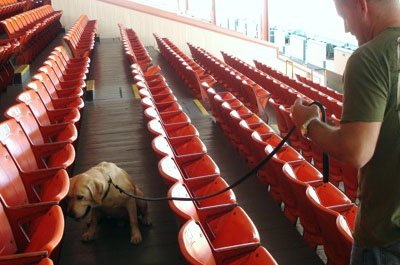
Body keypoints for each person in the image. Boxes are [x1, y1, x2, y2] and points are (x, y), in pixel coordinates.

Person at [290, 0, 400, 264]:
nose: (346, 29)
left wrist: (309, 123)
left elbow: (356, 149)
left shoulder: (371, 57)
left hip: (384, 237)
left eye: (344, 17)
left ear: (361, 5)